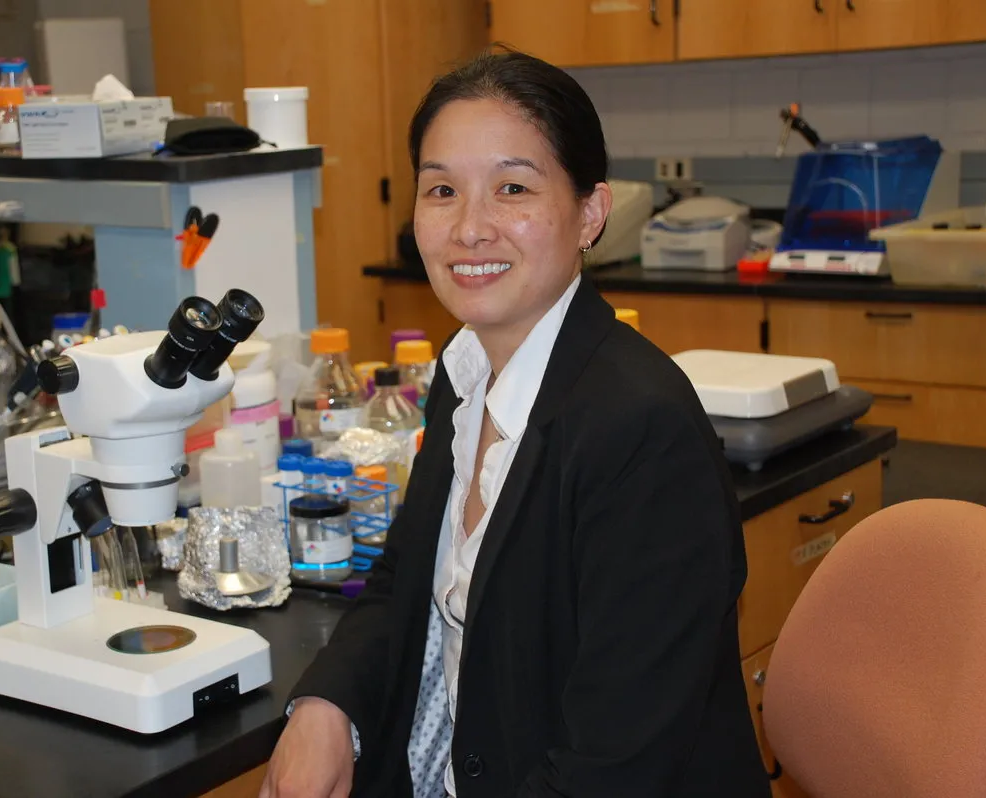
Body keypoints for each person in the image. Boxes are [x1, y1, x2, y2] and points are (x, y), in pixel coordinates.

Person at [261, 48, 771, 798]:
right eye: (442, 190)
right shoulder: (466, 372)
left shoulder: (641, 430)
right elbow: (405, 572)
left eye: (512, 188)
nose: (470, 228)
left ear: (590, 213)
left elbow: (616, 766)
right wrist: (326, 704)